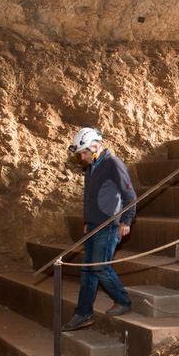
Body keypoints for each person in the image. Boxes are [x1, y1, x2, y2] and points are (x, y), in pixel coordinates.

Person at [61, 127, 135, 332]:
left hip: (110, 225)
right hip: (93, 225)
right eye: (80, 153)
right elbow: (90, 198)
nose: (82, 157)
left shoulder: (113, 163)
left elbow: (130, 196)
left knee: (100, 267)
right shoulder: (91, 167)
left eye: (84, 152)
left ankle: (123, 301)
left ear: (95, 146)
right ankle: (83, 314)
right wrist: (87, 220)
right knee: (87, 270)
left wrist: (126, 221)